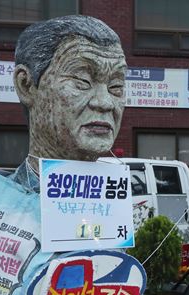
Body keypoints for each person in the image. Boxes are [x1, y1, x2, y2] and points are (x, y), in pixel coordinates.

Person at [12, 14, 127, 181]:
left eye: (115, 86)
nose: (105, 103)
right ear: (26, 86)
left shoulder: (119, 203)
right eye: (82, 81)